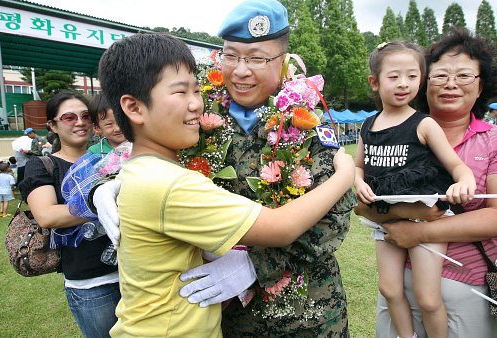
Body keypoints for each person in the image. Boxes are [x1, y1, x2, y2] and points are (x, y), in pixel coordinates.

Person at [92, 0, 357, 336]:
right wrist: (104, 187)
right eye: (230, 56)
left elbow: (334, 216)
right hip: (224, 316)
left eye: (257, 58)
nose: (241, 70)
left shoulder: (308, 125)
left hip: (305, 313)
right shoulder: (196, 112)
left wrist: (255, 263)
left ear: (284, 61)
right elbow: (147, 153)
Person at [355, 29, 497, 337]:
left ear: (481, 85)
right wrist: (396, 213)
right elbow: (363, 208)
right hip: (398, 288)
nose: (450, 84)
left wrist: (420, 231)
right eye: (440, 75)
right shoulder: (395, 130)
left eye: (463, 76)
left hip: (468, 289)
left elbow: (495, 215)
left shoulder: (492, 140)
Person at [18, 91, 120, 338]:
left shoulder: (109, 158)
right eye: (69, 117)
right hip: (92, 284)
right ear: (53, 125)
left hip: (132, 273)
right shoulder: (42, 166)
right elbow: (47, 215)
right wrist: (104, 204)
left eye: (85, 116)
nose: (80, 122)